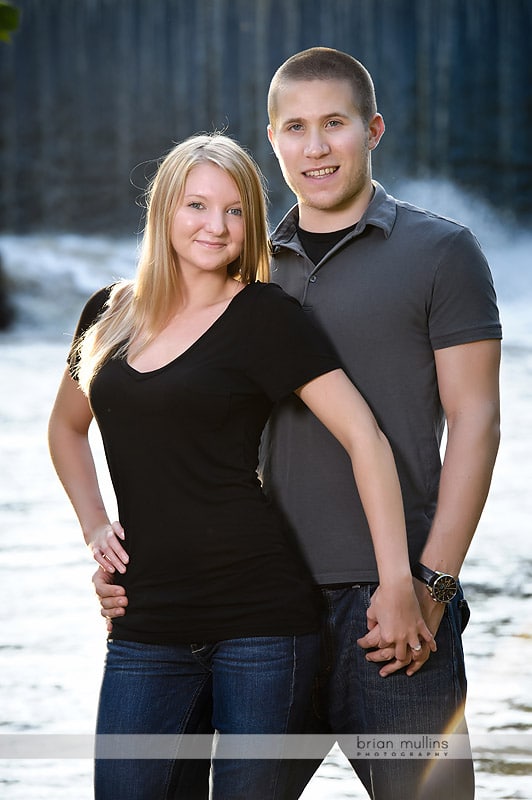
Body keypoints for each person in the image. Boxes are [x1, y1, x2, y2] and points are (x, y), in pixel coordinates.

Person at [48, 131, 434, 800]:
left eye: (234, 211)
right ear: (164, 210)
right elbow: (65, 426)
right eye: (197, 205)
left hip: (262, 624)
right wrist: (95, 531)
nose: (216, 226)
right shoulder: (108, 313)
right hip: (146, 623)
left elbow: (365, 439)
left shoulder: (263, 316)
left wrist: (396, 581)